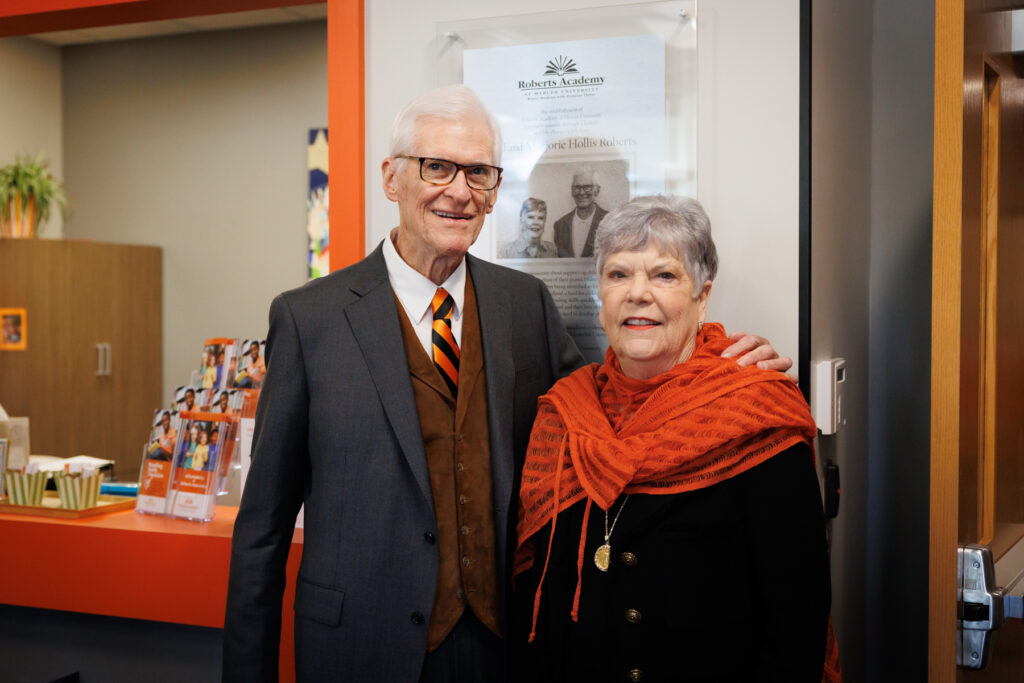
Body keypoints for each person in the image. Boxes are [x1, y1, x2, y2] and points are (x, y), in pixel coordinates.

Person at [223, 86, 790, 682]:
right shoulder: (308, 319)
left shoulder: (524, 304)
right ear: (391, 178)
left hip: (502, 648)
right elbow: (262, 527)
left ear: (495, 191)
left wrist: (719, 364)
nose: (460, 191)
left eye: (479, 172)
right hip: (362, 646)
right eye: (437, 166)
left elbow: (609, 405)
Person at [512, 195, 834, 682]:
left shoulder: (756, 413)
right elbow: (537, 596)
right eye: (619, 274)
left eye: (664, 275)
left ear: (702, 296)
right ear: (600, 294)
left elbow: (796, 623)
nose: (638, 293)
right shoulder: (562, 415)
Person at [553, 166, 608, 258]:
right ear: (572, 191)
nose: (581, 192)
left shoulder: (610, 221)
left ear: (597, 190)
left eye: (587, 187)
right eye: (577, 187)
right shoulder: (560, 225)